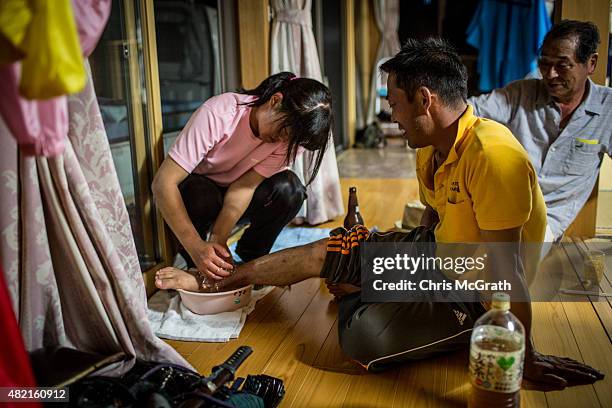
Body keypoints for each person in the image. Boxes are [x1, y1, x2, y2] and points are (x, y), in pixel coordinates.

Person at [155, 39, 604, 389]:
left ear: (425, 100)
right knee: (329, 249)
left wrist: (520, 351)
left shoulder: (493, 155)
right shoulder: (430, 148)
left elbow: (507, 273)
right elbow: (432, 218)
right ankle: (217, 280)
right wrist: (389, 250)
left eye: (395, 103)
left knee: (361, 341)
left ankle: (441, 321)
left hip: (477, 291)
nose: (391, 116)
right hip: (438, 255)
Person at [152, 72, 333, 286]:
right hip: (201, 195)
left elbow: (244, 187)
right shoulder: (220, 113)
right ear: (275, 101)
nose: (283, 141)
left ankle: (250, 262)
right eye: (284, 131)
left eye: (290, 139)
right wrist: (196, 245)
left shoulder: (290, 141)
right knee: (201, 194)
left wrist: (218, 239)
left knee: (290, 189)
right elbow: (163, 182)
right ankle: (194, 262)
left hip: (238, 196)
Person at [469, 20, 612, 242]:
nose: (550, 74)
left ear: (591, 63)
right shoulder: (522, 93)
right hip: (497, 203)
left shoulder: (608, 110)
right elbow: (470, 110)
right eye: (544, 63)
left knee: (509, 263)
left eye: (562, 65)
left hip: (546, 222)